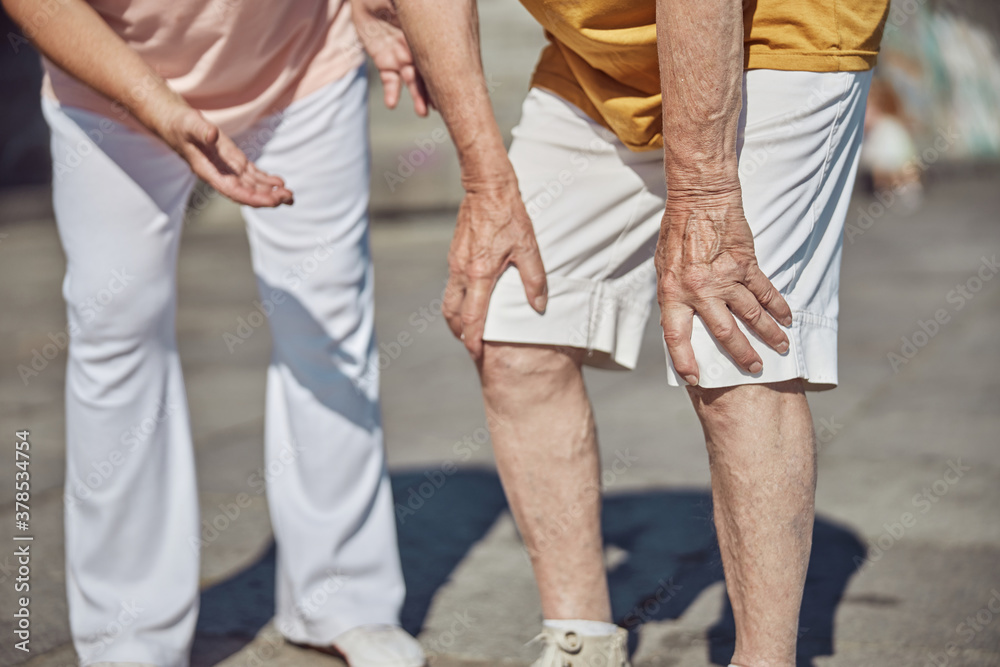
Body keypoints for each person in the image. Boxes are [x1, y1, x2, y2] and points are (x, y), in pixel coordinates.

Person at [395, 0, 888, 665]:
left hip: (778, 25)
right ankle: (582, 645)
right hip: (602, 49)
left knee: (732, 336)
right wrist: (486, 184)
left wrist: (706, 192)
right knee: (511, 325)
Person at [3, 0, 429, 665]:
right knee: (116, 326)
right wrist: (162, 109)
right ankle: (128, 631)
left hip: (299, 63)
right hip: (110, 85)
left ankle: (344, 596)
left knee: (328, 315)